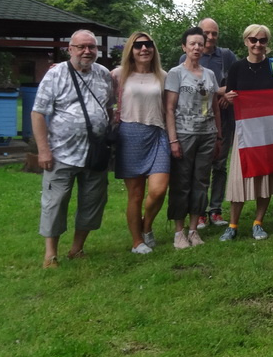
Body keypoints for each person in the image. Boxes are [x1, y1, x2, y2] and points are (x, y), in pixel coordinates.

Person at [31, 29, 113, 268]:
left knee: (92, 202)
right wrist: (43, 150)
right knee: (55, 203)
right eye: (81, 47)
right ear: (70, 49)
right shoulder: (55, 74)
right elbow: (38, 113)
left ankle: (77, 249)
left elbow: (108, 106)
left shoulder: (104, 74)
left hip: (95, 153)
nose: (87, 51)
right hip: (61, 153)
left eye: (92, 47)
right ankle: (50, 254)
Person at [222, 25, 273, 240]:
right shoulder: (237, 67)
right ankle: (232, 225)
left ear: (267, 43)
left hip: (268, 130)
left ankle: (258, 223)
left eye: (262, 40)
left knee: (266, 178)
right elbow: (229, 96)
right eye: (253, 40)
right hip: (245, 131)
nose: (258, 44)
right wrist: (228, 98)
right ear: (246, 41)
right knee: (239, 177)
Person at [111, 31, 169, 254]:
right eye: (138, 45)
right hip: (130, 135)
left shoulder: (162, 75)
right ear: (131, 50)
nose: (144, 49)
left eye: (148, 44)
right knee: (135, 194)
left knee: (159, 189)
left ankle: (146, 227)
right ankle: (137, 241)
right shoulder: (119, 74)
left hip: (158, 133)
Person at [164, 27, 222, 249]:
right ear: (184, 47)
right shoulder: (176, 73)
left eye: (200, 43)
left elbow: (215, 107)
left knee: (201, 181)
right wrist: (173, 140)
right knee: (181, 182)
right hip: (184, 134)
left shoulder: (210, 74)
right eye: (192, 44)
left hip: (207, 134)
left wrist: (218, 136)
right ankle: (179, 232)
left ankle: (194, 229)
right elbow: (169, 108)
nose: (197, 47)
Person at [182, 18, 236, 229]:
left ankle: (215, 210)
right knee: (199, 168)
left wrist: (226, 96)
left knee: (220, 166)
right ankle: (199, 212)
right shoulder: (186, 57)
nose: (210, 37)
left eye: (214, 33)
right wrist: (217, 92)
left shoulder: (226, 56)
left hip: (224, 119)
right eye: (206, 34)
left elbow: (237, 80)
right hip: (194, 122)